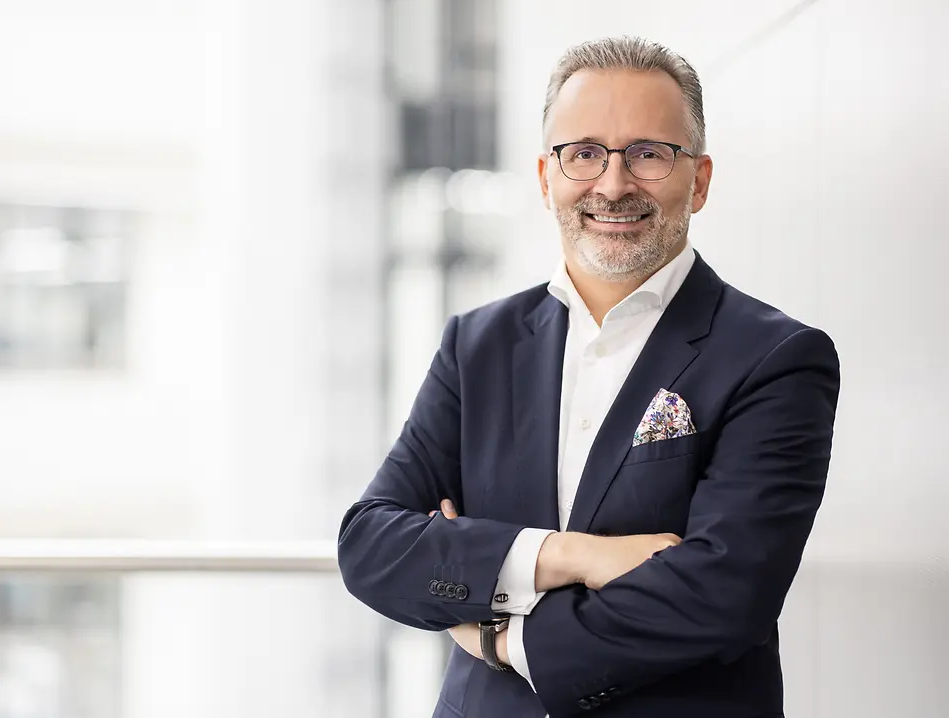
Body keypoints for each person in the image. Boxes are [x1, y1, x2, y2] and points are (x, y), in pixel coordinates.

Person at [337, 36, 840, 718]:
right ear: (546, 178)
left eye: (648, 153)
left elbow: (724, 593)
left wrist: (501, 639)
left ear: (699, 179)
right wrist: (573, 557)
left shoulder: (776, 357)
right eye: (584, 154)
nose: (612, 184)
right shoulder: (476, 346)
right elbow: (372, 546)